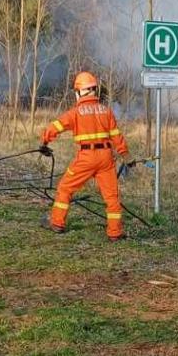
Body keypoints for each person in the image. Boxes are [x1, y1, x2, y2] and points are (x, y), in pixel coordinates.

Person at [41, 71, 129, 239]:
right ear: (94, 90)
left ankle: (57, 223)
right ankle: (115, 232)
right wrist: (125, 154)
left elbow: (54, 127)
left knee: (65, 188)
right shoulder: (106, 111)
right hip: (106, 158)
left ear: (80, 91)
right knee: (111, 196)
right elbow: (116, 136)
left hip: (86, 157)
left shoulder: (75, 112)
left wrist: (44, 142)